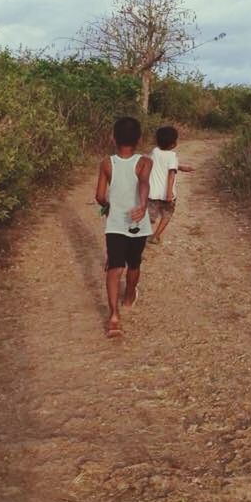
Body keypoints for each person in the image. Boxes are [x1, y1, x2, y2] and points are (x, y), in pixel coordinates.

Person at [95, 116, 153, 337]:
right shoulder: (144, 162)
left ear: (113, 138)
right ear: (139, 139)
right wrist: (142, 205)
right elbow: (145, 182)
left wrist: (108, 207)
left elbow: (99, 195)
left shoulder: (106, 163)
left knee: (115, 267)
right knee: (134, 263)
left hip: (115, 225)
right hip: (139, 224)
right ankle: (128, 297)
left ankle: (114, 317)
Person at [147, 125, 194, 245]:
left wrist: (181, 167)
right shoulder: (172, 156)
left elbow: (162, 164)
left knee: (149, 218)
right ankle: (155, 236)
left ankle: (139, 237)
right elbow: (171, 174)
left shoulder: (155, 152)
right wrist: (168, 193)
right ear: (173, 144)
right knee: (167, 215)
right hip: (166, 196)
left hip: (152, 194)